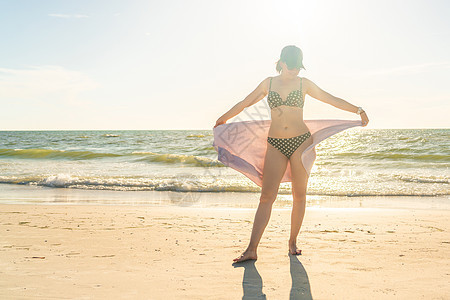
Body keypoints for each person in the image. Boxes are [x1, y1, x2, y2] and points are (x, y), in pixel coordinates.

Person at [213, 45, 369, 263]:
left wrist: (358, 110)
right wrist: (223, 118)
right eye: (292, 66)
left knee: (299, 195)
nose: (296, 71)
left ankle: (292, 242)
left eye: (299, 67)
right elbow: (245, 102)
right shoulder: (268, 83)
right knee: (267, 196)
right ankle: (251, 249)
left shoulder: (304, 84)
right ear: (282, 62)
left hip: (300, 143)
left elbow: (330, 98)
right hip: (276, 143)